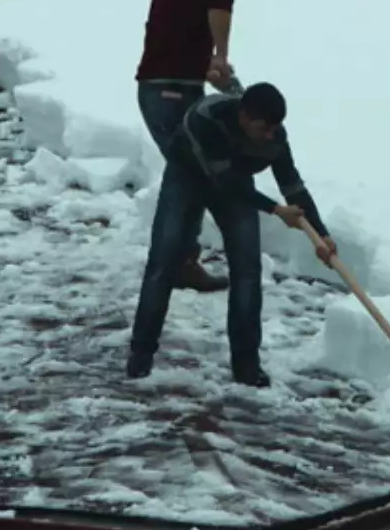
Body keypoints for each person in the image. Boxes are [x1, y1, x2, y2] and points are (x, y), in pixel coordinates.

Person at [127, 82, 338, 387]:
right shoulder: (207, 117)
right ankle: (141, 354)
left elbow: (292, 185)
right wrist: (276, 211)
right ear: (244, 117)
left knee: (248, 268)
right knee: (164, 258)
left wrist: (321, 236)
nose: (270, 135)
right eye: (264, 128)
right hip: (187, 176)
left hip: (234, 181)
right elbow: (225, 183)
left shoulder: (274, 136)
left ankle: (246, 365)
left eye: (274, 129)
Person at [134, 0, 241, 293]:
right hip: (174, 90)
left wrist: (203, 68)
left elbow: (172, 35)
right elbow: (219, 7)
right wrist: (220, 57)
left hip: (154, 86)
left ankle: (181, 262)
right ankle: (169, 268)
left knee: (189, 171)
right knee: (189, 172)